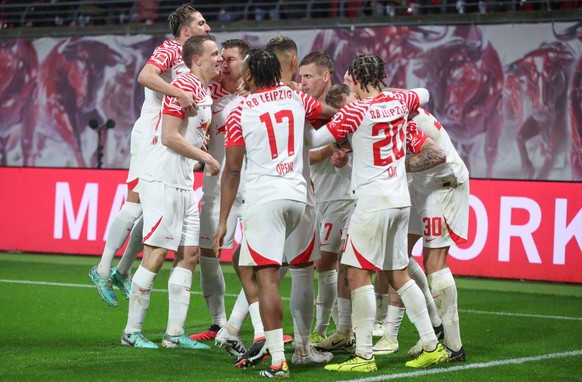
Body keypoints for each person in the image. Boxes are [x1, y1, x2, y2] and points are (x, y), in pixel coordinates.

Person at [306, 54, 449, 372]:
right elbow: (423, 92)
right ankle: (431, 344)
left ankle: (365, 356)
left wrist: (295, 111)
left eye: (348, 79)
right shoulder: (400, 100)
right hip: (400, 202)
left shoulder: (354, 111)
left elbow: (315, 139)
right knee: (398, 273)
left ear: (356, 79)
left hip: (371, 202)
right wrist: (387, 91)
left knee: (357, 273)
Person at [214, 48, 334, 379]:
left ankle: (277, 359)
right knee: (300, 271)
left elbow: (233, 170)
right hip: (299, 197)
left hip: (265, 199)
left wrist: (223, 220)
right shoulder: (296, 98)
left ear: (249, 75)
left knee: (265, 277)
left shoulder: (238, 112)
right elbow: (329, 113)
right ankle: (303, 347)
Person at [89, 3, 211, 308]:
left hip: (170, 137)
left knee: (151, 209)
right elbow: (145, 75)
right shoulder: (170, 48)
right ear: (186, 31)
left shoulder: (192, 60)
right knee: (135, 203)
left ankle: (121, 270)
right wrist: (178, 93)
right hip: (152, 134)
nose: (207, 27)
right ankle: (103, 269)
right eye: (201, 23)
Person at [121, 34, 222, 349]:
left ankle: (174, 335)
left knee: (189, 255)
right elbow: (167, 136)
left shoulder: (203, 90)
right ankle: (131, 332)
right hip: (163, 179)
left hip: (183, 183)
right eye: (214, 53)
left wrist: (197, 143)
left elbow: (186, 134)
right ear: (197, 60)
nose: (219, 58)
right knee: (156, 253)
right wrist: (205, 156)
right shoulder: (186, 86)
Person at [376, 107, 469, 362]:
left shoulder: (394, 116)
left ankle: (453, 347)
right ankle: (433, 326)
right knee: (396, 255)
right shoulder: (390, 104)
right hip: (419, 185)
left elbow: (436, 154)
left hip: (442, 184)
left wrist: (395, 162)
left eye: (351, 84)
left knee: (434, 263)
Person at [189, 38, 250, 342]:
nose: (224, 65)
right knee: (208, 254)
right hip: (216, 187)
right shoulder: (206, 94)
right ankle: (217, 324)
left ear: (246, 62)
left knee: (258, 259)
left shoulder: (258, 95)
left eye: (231, 60)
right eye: (221, 59)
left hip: (252, 188)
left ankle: (265, 326)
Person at [298, 52, 355, 343]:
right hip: (320, 195)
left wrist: (334, 150)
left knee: (338, 263)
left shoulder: (344, 105)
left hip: (345, 195)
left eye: (308, 76)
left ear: (324, 76)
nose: (302, 82)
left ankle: (331, 329)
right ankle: (339, 327)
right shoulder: (308, 110)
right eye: (300, 76)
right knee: (327, 265)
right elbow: (311, 151)